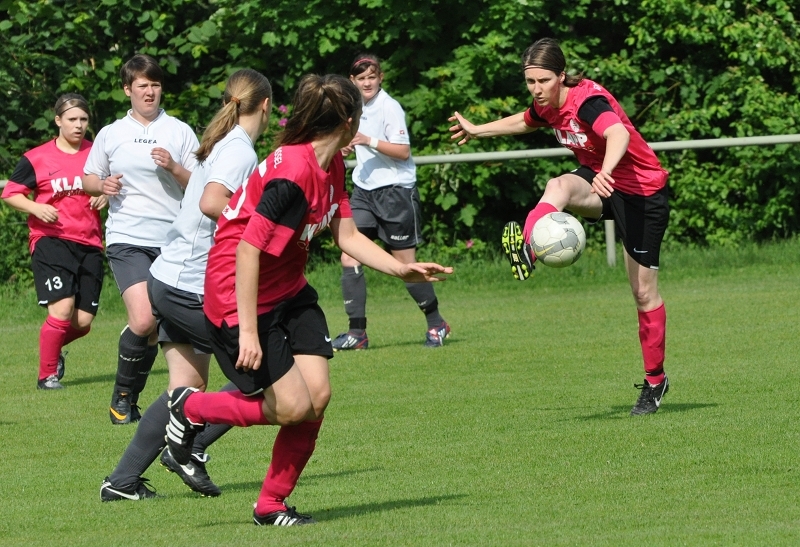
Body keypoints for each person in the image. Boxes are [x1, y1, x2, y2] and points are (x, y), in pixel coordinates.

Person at [165, 74, 452, 525]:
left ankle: (270, 505)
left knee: (316, 397)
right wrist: (248, 332)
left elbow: (347, 234)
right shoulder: (293, 174)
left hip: (288, 290)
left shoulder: (331, 163)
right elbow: (247, 250)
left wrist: (400, 269)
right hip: (237, 294)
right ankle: (189, 407)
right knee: (292, 407)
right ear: (349, 121)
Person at [449, 37, 670, 416]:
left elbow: (617, 133)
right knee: (558, 186)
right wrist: (477, 130)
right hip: (600, 182)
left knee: (643, 293)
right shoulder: (546, 106)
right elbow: (525, 120)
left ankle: (655, 381)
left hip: (641, 193)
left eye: (544, 80)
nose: (537, 89)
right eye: (530, 81)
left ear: (561, 76)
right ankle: (529, 248)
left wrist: (607, 171)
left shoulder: (587, 102)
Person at [99, 69, 273, 501]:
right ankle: (187, 447)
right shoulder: (238, 149)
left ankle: (121, 483)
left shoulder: (223, 141)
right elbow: (213, 202)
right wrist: (266, 227)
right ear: (266, 106)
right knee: (264, 375)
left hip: (171, 277)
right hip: (189, 286)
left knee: (186, 388)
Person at [83, 54, 200, 424]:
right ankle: (121, 396)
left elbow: (200, 185)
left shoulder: (179, 131)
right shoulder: (111, 133)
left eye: (155, 85)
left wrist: (174, 167)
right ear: (127, 90)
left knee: (155, 327)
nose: (150, 92)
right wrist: (102, 185)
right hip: (127, 236)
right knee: (145, 319)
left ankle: (128, 400)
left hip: (172, 240)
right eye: (142, 85)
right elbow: (89, 178)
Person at [331, 54, 450, 350]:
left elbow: (403, 152)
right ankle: (357, 333)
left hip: (396, 193)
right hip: (363, 191)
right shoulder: (353, 108)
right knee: (349, 255)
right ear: (352, 81)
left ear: (380, 77)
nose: (367, 83)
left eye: (371, 77)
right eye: (361, 78)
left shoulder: (390, 107)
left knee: (405, 265)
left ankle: (436, 323)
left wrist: (366, 140)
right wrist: (345, 147)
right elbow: (354, 142)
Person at [2, 93, 106, 390]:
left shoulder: (97, 154)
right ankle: (46, 375)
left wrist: (105, 194)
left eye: (83, 119)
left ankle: (52, 346)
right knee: (61, 310)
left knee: (82, 322)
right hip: (51, 239)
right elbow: (10, 193)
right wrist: (35, 208)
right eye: (72, 119)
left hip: (89, 242)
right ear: (58, 120)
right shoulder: (37, 158)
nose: (78, 125)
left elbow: (113, 184)